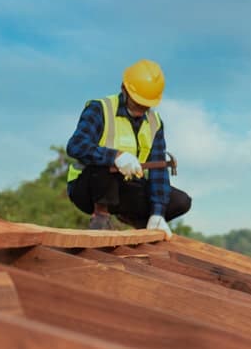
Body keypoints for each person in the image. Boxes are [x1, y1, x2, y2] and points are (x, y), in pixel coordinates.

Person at [66, 59, 191, 238]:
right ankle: (100, 219)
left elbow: (158, 170)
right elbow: (76, 146)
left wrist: (158, 213)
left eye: (146, 104)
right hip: (89, 189)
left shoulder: (154, 122)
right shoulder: (100, 109)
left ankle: (141, 222)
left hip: (124, 189)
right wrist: (115, 156)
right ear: (124, 89)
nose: (141, 108)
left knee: (180, 201)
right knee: (103, 167)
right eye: (137, 102)